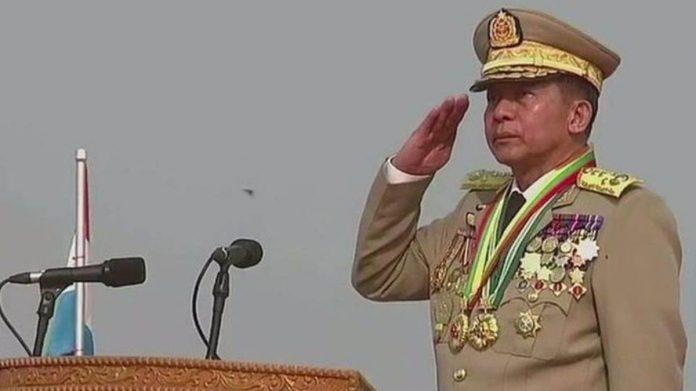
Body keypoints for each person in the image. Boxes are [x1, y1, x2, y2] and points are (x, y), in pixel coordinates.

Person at [351, 7, 686, 391]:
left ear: (578, 116)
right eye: (494, 98)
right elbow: (378, 274)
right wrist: (408, 173)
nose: (501, 113)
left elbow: (647, 379)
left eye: (523, 95)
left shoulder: (625, 216)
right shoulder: (475, 213)